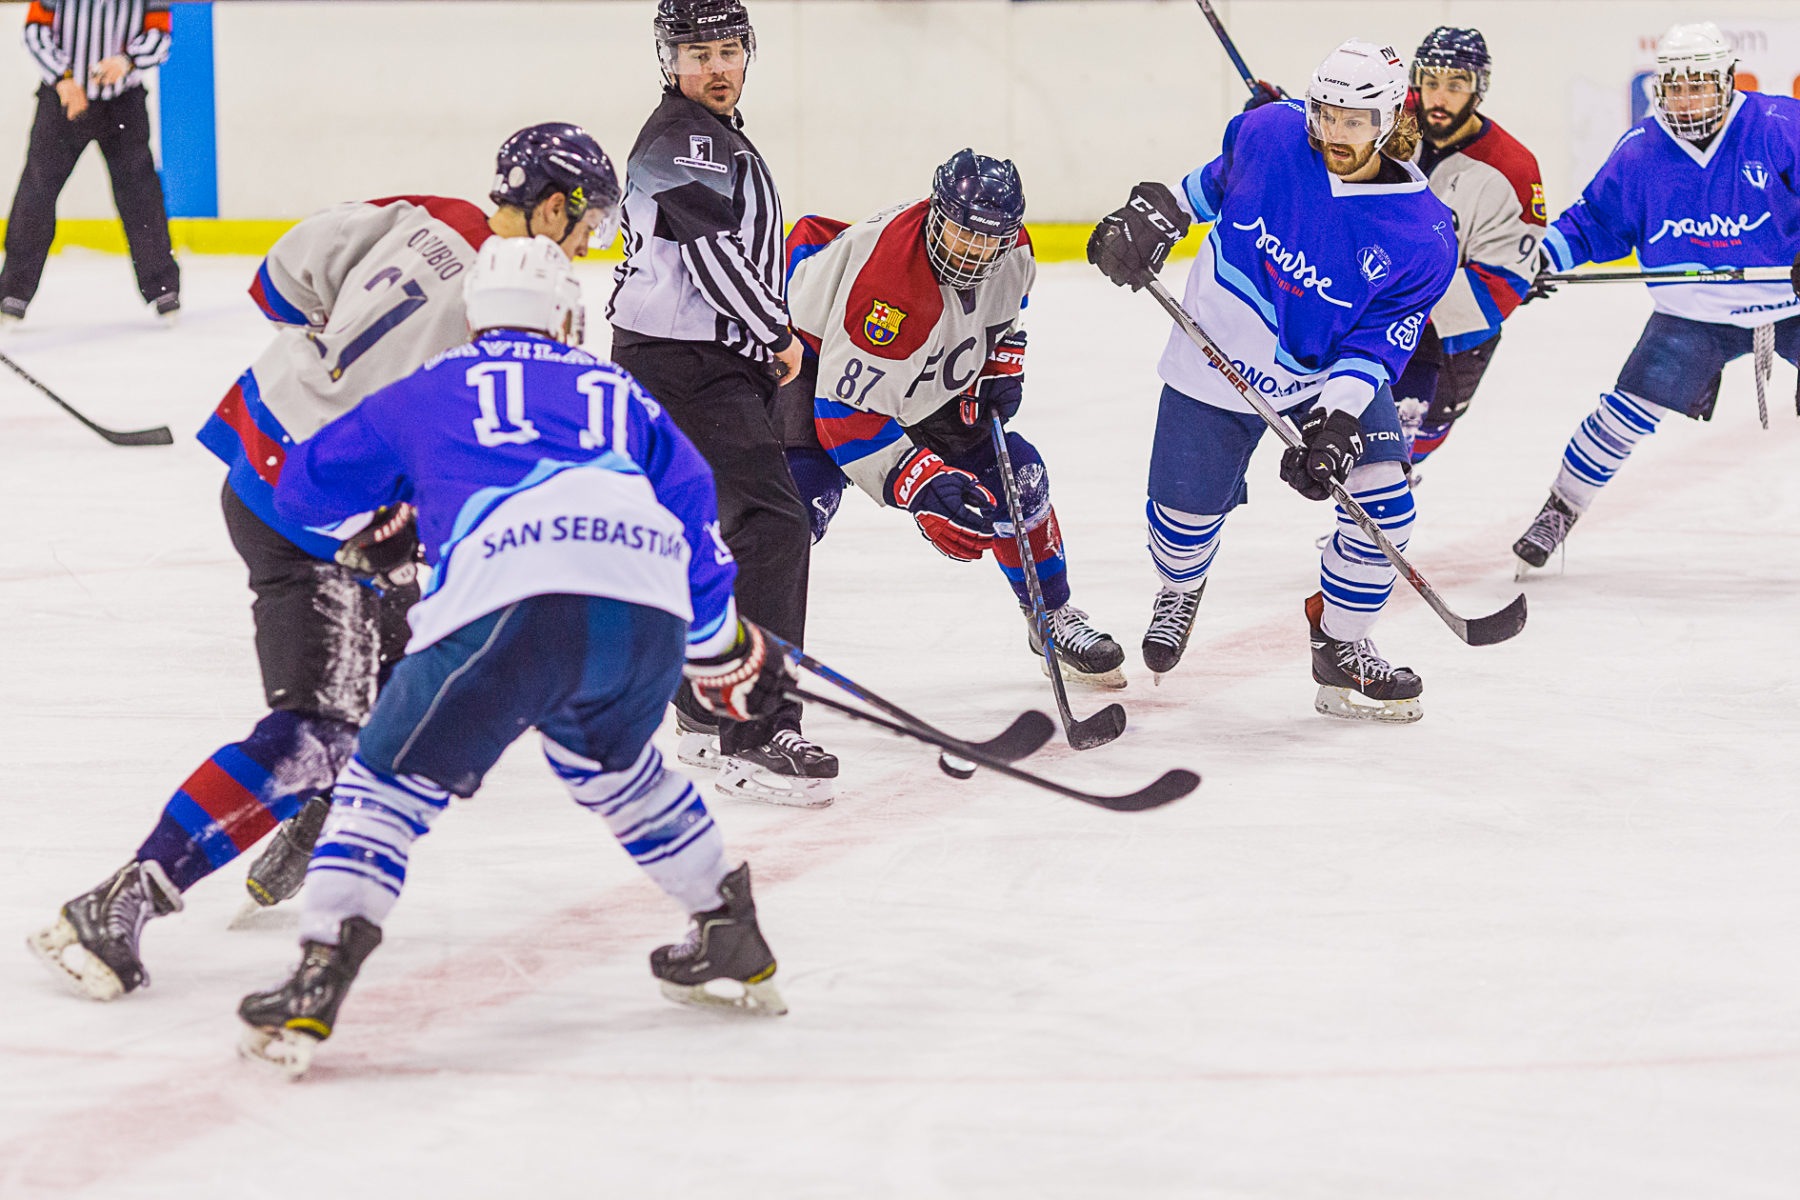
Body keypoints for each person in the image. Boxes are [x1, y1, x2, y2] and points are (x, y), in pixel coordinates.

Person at [27, 123, 619, 1002]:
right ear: (557, 207)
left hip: (261, 455)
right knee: (315, 732)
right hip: (319, 519)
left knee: (408, 664)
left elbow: (278, 280)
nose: (587, 248)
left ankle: (319, 802)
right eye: (588, 227)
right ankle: (119, 899)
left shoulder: (425, 215)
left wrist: (340, 364)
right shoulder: (527, 315)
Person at [236, 237, 789, 1078]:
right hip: (640, 611)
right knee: (613, 770)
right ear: (566, 317)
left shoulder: (433, 387)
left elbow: (304, 487)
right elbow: (693, 520)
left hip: (508, 600)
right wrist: (719, 651)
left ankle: (319, 971)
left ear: (475, 319)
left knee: (386, 782)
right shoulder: (620, 391)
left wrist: (405, 507)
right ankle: (727, 925)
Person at [1088, 39, 1455, 723]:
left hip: (1326, 377)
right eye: (1325, 114)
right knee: (1178, 532)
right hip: (1214, 357)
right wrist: (1155, 215)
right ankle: (1181, 583)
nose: (1334, 132)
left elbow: (1375, 345)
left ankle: (1342, 644)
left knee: (1387, 512)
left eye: (1353, 120)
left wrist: (1341, 420)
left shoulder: (1423, 234)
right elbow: (1214, 184)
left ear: (1388, 120)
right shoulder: (1271, 129)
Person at [776, 149, 1126, 689]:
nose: (977, 251)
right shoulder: (887, 284)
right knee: (793, 507)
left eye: (992, 237)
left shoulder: (1015, 253)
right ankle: (729, 657)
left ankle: (1050, 616)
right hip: (814, 358)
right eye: (965, 233)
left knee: (1018, 477)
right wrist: (920, 482)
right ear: (936, 213)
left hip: (918, 369)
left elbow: (1005, 320)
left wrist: (1001, 362)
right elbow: (845, 413)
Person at [607, 0, 835, 808]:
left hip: (671, 362)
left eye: (728, 49)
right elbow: (711, 253)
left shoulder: (702, 134)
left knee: (725, 532)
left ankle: (704, 709)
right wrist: (777, 333)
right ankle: (758, 728)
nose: (715, 66)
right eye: (696, 52)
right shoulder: (689, 137)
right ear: (668, 59)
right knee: (772, 526)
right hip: (689, 367)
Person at [1510, 21, 1800, 575]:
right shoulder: (1642, 152)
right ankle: (1561, 507)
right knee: (1623, 414)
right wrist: (1539, 261)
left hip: (1793, 303)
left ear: (1727, 81)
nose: (1687, 99)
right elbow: (1594, 222)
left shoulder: (1780, 126)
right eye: (1676, 87)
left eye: (1699, 85)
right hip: (1693, 314)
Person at [1392, 26, 1546, 468]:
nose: (1439, 98)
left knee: (1415, 441)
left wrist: (1404, 309)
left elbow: (1502, 279)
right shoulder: (1390, 126)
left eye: (1456, 85)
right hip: (1374, 319)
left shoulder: (1512, 168)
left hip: (1453, 339)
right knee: (1364, 447)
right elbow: (1334, 128)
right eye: (1431, 82)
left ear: (1478, 88)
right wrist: (1283, 120)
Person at [0, 0, 179, 326]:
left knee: (140, 196)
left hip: (122, 104)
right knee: (36, 194)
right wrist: (63, 78)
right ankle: (13, 292)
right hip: (63, 102)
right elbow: (35, 30)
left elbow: (160, 34)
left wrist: (126, 61)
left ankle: (163, 289)